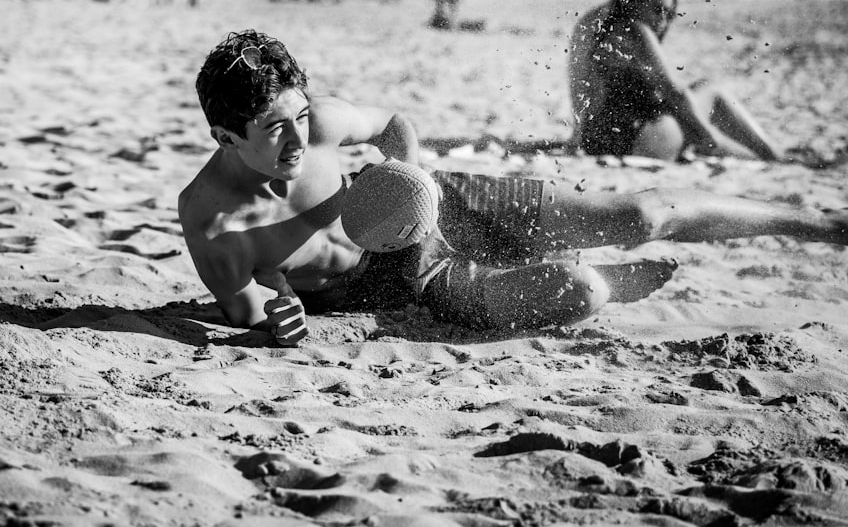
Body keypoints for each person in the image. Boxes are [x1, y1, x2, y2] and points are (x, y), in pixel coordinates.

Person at [178, 30, 846, 346]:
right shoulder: (212, 221)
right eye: (274, 130)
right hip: (396, 284)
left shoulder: (319, 121)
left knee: (639, 213)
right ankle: (600, 275)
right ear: (225, 138)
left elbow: (394, 125)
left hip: (441, 201)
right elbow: (247, 308)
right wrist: (281, 318)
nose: (300, 139)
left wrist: (414, 185)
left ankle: (811, 223)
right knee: (580, 293)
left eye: (299, 116)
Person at [568, 0, 782, 161]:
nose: (662, 22)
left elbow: (580, 86)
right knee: (711, 93)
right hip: (638, 141)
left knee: (685, 108)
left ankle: (766, 154)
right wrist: (709, 136)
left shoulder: (592, 21)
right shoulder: (634, 29)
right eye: (657, 10)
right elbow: (674, 91)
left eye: (668, 15)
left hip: (594, 139)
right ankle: (772, 154)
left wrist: (578, 134)